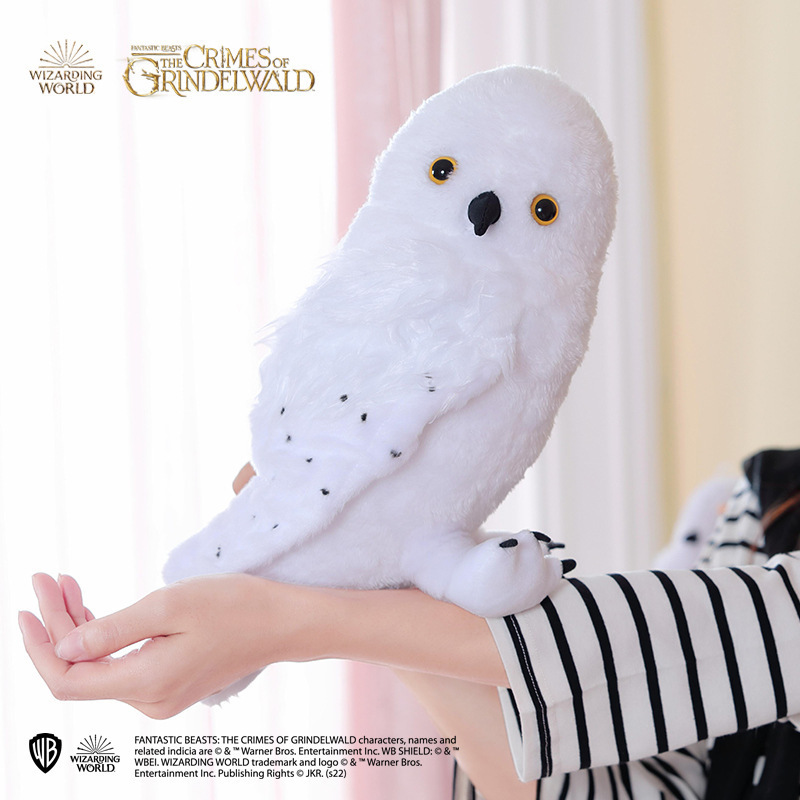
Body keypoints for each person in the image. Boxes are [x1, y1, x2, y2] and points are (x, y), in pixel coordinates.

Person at [20, 450, 800, 799]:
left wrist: (298, 620)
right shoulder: (760, 506)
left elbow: (767, 635)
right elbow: (600, 785)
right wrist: (359, 571)